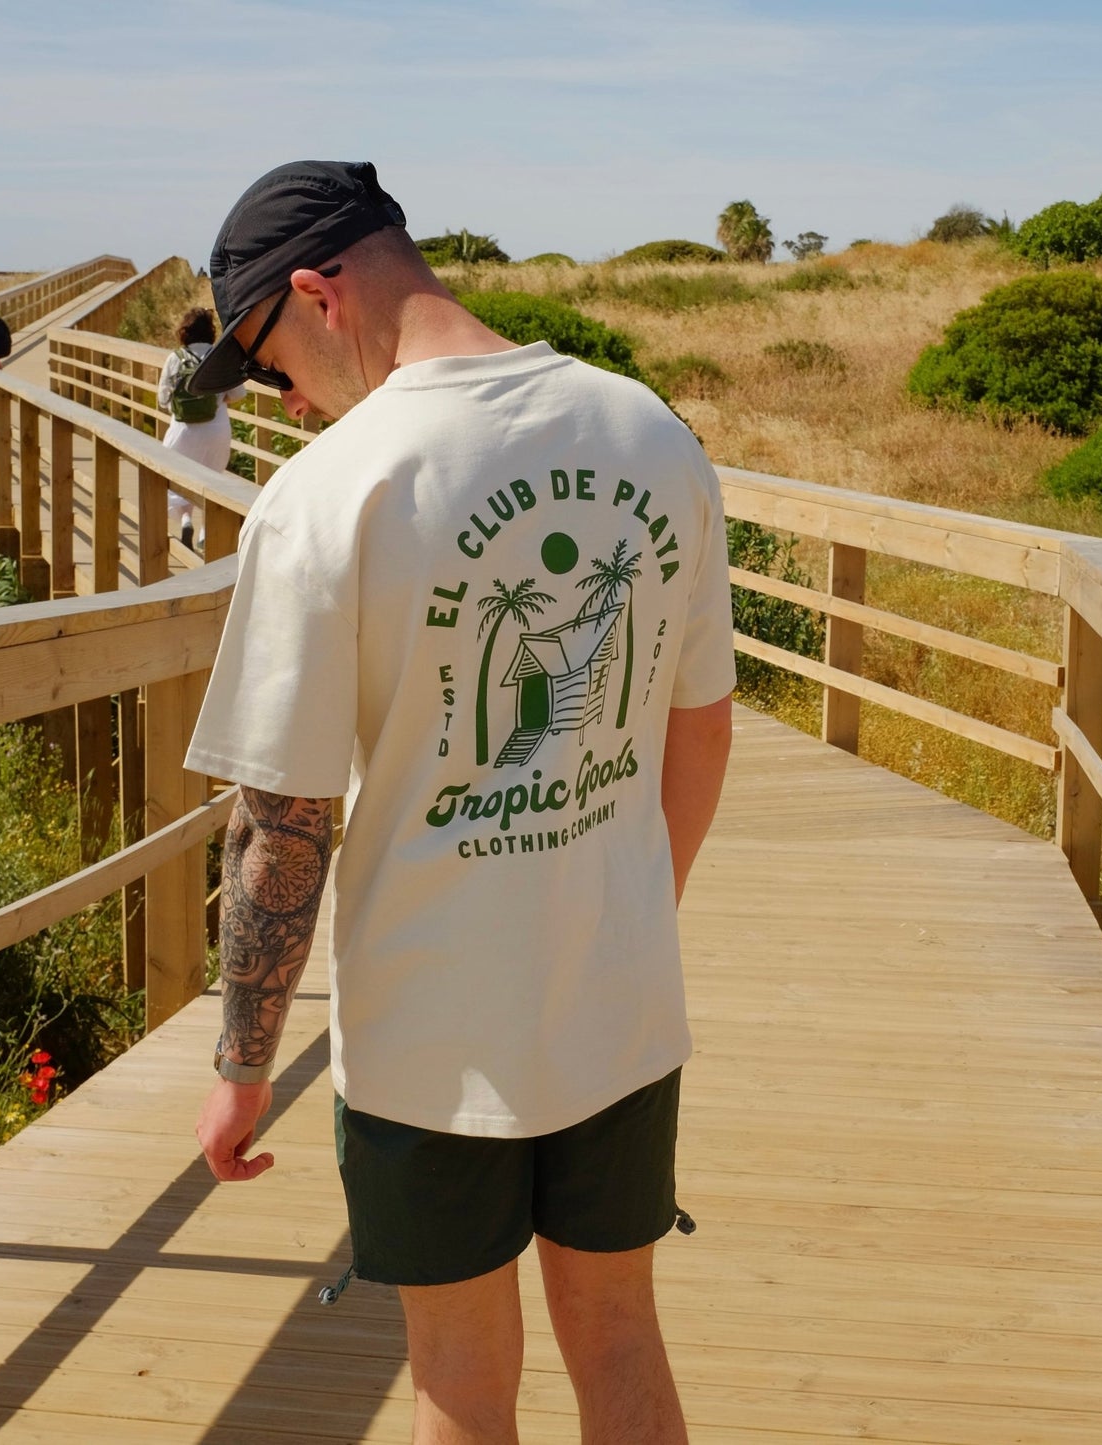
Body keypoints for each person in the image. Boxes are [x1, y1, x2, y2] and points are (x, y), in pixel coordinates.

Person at [186, 160, 735, 1444]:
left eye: (265, 363)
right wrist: (627, 915)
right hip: (619, 1005)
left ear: (318, 294)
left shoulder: (329, 493)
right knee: (619, 1338)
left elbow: (285, 825)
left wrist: (240, 1066)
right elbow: (697, 720)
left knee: (459, 1381)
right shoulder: (646, 430)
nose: (275, 398)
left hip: (430, 1039)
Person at [155, 307, 247, 551]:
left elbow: (163, 399)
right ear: (211, 332)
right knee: (213, 479)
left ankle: (186, 520)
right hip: (216, 429)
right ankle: (206, 533)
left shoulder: (175, 358)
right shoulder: (219, 357)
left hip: (182, 430)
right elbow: (237, 394)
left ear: (184, 332)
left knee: (177, 479)